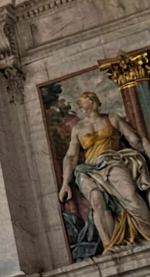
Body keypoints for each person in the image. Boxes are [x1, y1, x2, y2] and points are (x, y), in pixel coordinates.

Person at [58, 91, 150, 250]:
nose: (88, 102)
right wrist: (65, 183)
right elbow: (71, 156)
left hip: (111, 161)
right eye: (84, 100)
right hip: (88, 170)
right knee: (96, 200)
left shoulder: (112, 118)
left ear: (95, 102)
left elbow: (134, 139)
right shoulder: (78, 128)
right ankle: (110, 245)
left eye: (90, 98)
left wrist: (145, 149)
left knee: (130, 194)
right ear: (81, 107)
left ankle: (147, 233)